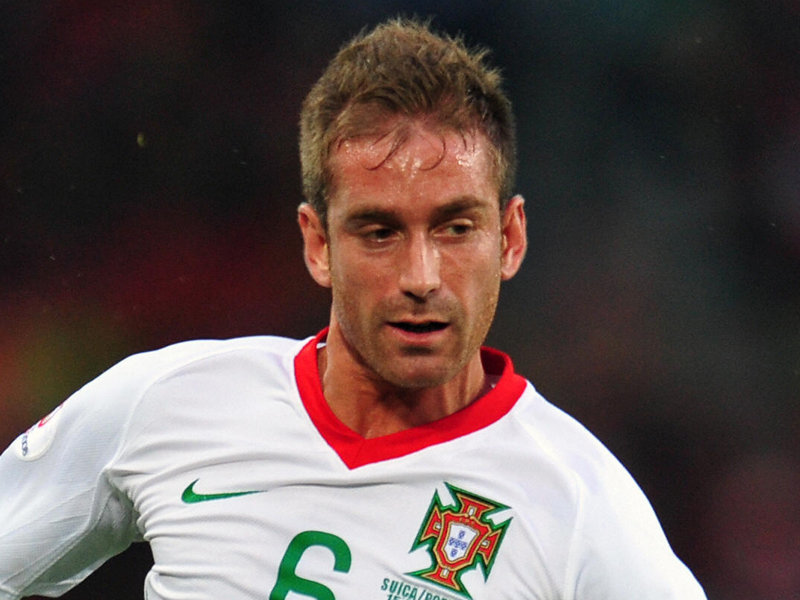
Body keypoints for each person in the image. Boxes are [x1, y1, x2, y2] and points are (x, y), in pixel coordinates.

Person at [0, 18, 706, 600]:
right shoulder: (164, 403)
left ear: (510, 238)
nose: (421, 278)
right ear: (318, 245)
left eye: (456, 227)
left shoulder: (581, 510)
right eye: (379, 232)